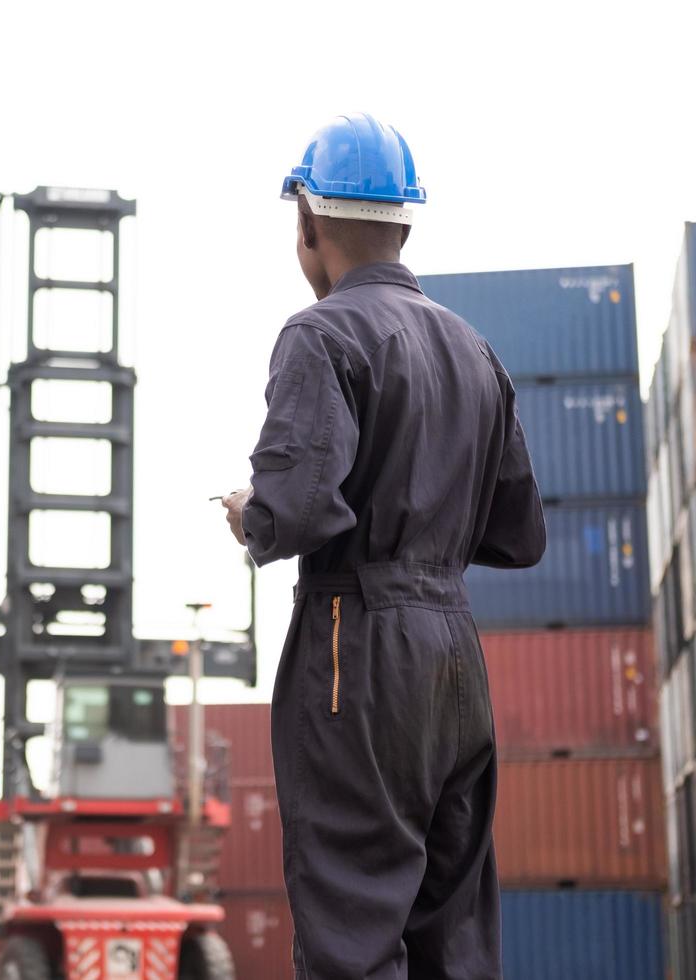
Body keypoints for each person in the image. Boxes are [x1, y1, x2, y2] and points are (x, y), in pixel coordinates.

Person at [221, 114, 546, 979]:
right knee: (456, 937)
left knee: (352, 928)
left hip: (355, 646)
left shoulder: (319, 334)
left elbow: (292, 512)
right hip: (454, 660)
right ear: (406, 222)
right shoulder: (475, 350)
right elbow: (518, 536)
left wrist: (248, 510)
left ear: (306, 222)